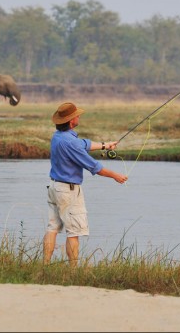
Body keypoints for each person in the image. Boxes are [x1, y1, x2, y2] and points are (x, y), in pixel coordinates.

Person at [43, 102, 128, 266]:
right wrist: (116, 176)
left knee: (52, 228)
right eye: (77, 115)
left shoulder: (58, 136)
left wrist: (105, 144)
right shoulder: (71, 142)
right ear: (71, 121)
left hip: (54, 187)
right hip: (68, 191)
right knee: (73, 232)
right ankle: (73, 271)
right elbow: (94, 167)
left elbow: (84, 144)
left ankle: (45, 266)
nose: (79, 117)